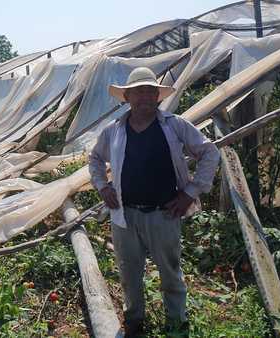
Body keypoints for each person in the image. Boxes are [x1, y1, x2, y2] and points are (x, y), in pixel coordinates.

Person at [88, 67, 220, 336]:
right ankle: (134, 320)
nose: (145, 97)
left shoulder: (174, 125)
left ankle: (176, 322)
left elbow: (209, 152)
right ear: (127, 97)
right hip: (125, 215)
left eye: (150, 91)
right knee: (129, 272)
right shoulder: (114, 131)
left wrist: (190, 192)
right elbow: (94, 159)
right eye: (139, 91)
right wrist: (102, 186)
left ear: (158, 97)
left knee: (170, 272)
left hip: (164, 214)